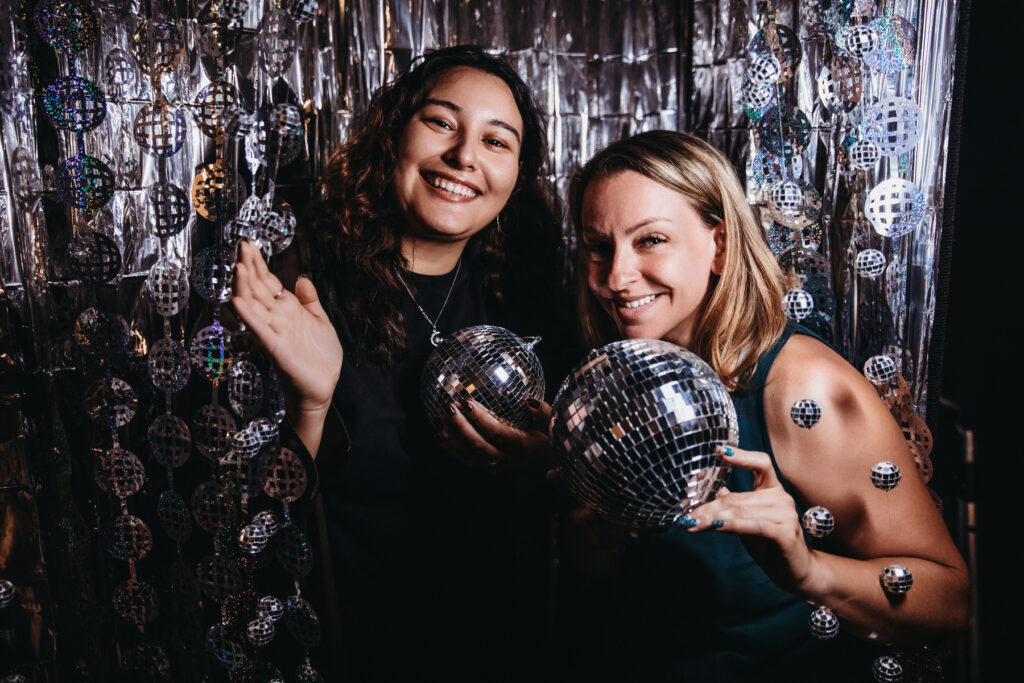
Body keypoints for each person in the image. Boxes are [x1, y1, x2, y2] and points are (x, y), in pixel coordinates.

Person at [555, 130, 969, 682]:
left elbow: (948, 599)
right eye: (597, 246)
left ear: (719, 247)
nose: (615, 277)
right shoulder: (620, 376)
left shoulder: (802, 388)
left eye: (651, 240)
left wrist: (808, 570)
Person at [231, 46, 573, 680]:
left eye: (497, 141)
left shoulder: (534, 303)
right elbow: (238, 529)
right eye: (442, 122)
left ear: (517, 175)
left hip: (500, 649)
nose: (464, 156)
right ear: (393, 132)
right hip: (350, 649)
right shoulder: (298, 287)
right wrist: (311, 405)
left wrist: (548, 466)